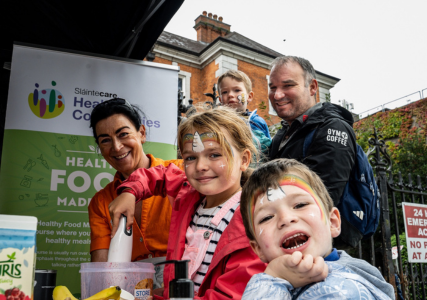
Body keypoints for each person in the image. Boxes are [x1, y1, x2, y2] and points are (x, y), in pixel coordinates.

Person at [108, 107, 269, 299]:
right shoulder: (188, 193)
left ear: (244, 159)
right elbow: (158, 175)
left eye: (215, 155)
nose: (201, 166)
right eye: (191, 158)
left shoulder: (253, 222)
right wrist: (130, 191)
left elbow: (230, 295)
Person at [239, 158, 395, 299]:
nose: (285, 219)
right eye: (267, 217)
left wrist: (270, 280)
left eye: (300, 205)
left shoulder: (337, 291)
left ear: (333, 222)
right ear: (257, 248)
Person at [87, 98, 183, 287]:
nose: (116, 146)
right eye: (105, 140)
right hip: (133, 288)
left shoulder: (180, 172)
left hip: (183, 282)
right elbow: (102, 269)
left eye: (123, 134)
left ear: (142, 133)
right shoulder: (100, 203)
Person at [267, 56, 357, 247]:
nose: (277, 95)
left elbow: (323, 196)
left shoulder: (333, 127)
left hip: (324, 249)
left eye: (287, 85)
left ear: (313, 87)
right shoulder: (283, 134)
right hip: (289, 242)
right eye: (273, 87)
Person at [217, 70, 271, 164]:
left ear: (249, 96)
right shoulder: (218, 122)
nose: (230, 95)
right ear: (220, 99)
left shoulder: (257, 122)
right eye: (225, 92)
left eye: (237, 90)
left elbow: (270, 150)